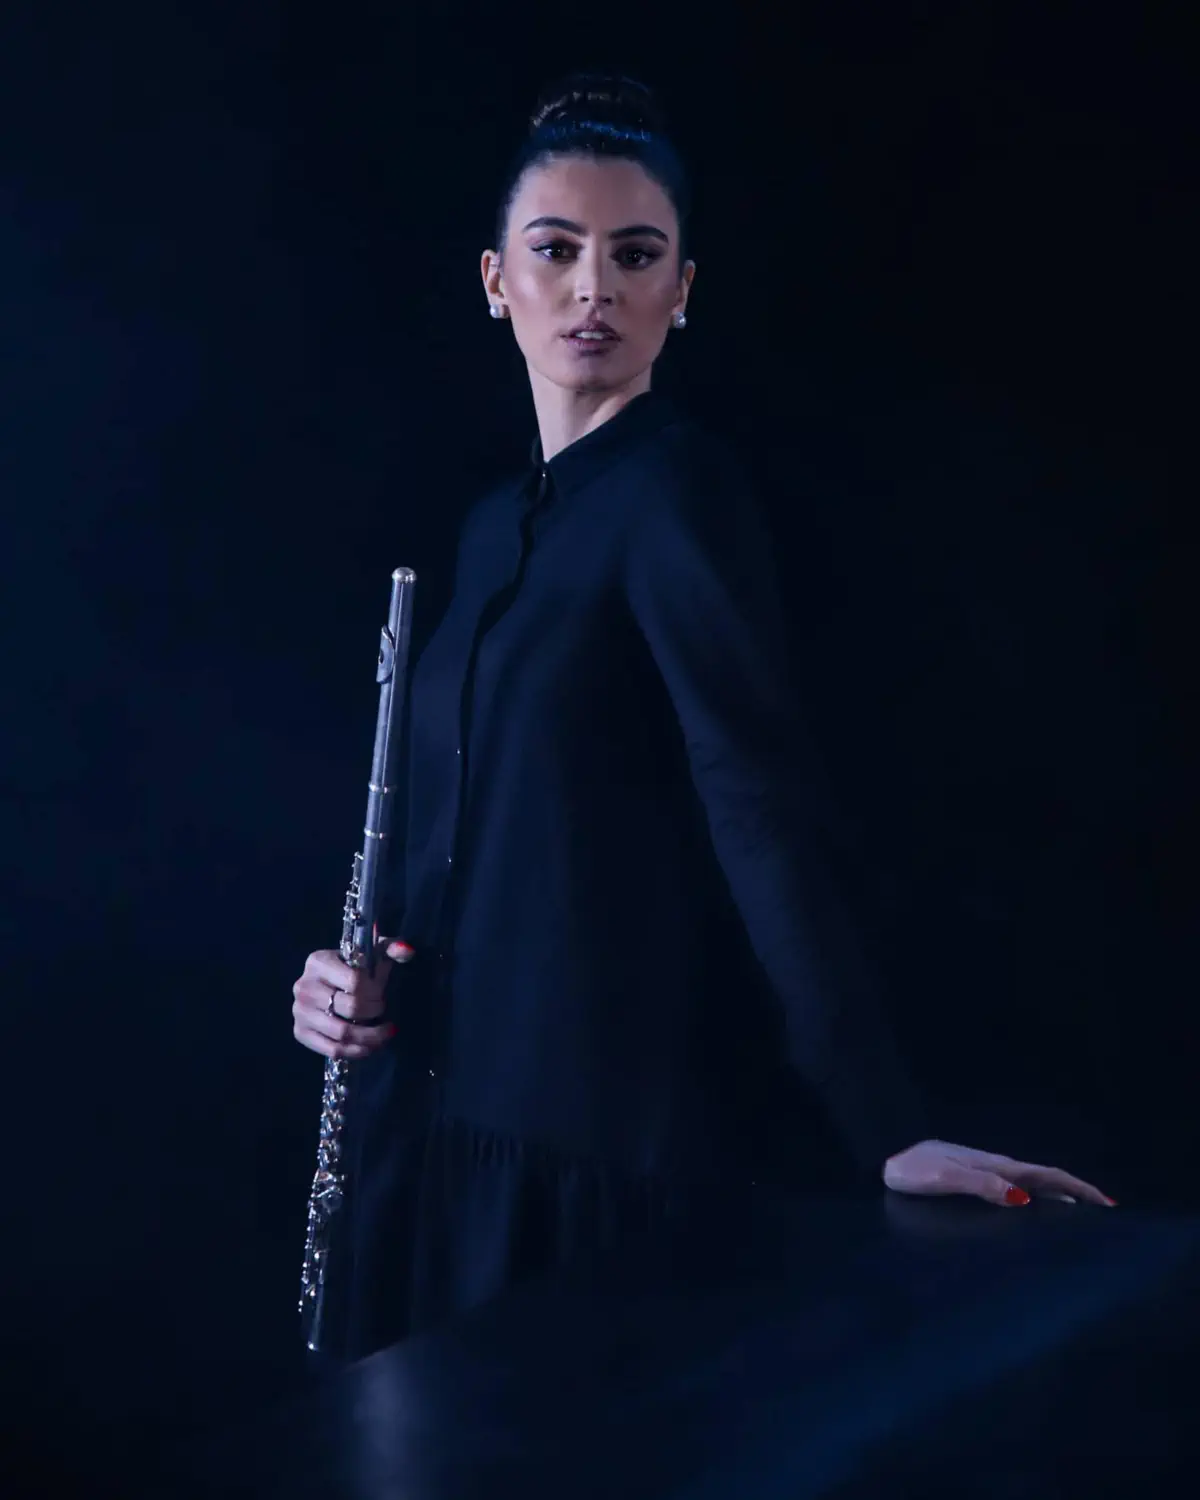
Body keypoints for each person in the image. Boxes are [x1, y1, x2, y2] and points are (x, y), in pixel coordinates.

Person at [292, 72, 1115, 1361]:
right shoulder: (492, 525)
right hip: (433, 1123)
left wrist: (882, 1121)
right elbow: (465, 834)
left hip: (579, 1144)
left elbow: (756, 801)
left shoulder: (678, 493)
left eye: (635, 256)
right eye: (556, 251)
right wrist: (356, 979)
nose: (594, 287)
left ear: (681, 289)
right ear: (497, 280)